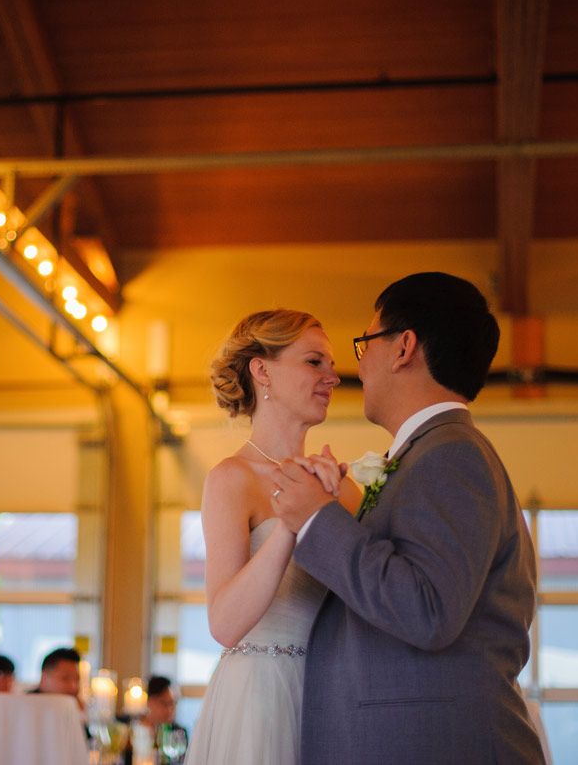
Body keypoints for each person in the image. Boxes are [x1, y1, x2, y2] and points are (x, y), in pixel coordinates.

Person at [270, 272, 544, 763]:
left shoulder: (451, 454)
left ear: (403, 348)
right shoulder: (428, 456)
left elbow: (428, 610)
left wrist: (318, 518)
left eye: (364, 344)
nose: (355, 367)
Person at [185, 309, 353, 765]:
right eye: (314, 362)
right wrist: (291, 519)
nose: (333, 377)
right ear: (263, 371)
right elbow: (224, 623)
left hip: (334, 694)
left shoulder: (345, 486)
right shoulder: (231, 479)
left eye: (332, 366)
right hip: (259, 698)